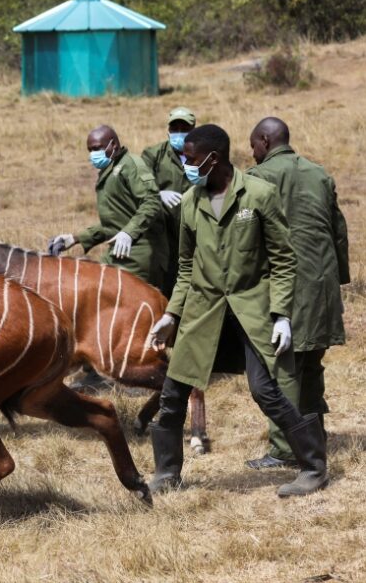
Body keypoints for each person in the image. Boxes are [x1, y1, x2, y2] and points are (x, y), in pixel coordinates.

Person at [148, 124, 328, 498]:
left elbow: (283, 260)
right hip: (203, 309)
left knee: (266, 391)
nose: (186, 164)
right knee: (173, 391)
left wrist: (281, 314)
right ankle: (167, 472)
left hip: (251, 309)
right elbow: (185, 267)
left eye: (192, 159)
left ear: (214, 159)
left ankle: (313, 467)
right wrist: (171, 316)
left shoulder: (259, 194)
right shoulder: (190, 201)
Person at [244, 117, 349, 469]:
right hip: (323, 282)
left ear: (265, 140)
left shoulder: (258, 178)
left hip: (286, 286)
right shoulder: (319, 173)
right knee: (312, 364)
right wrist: (339, 278)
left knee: (283, 367)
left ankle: (286, 449)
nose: (251, 152)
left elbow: (249, 239)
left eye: (253, 145)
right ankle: (313, 432)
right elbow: (338, 229)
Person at [49, 125, 169, 290]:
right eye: (90, 150)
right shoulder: (110, 171)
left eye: (97, 148)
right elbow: (115, 222)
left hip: (140, 253)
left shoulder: (131, 165)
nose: (93, 154)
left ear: (113, 145)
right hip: (119, 251)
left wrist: (129, 232)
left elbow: (152, 201)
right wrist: (76, 238)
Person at [142, 107, 196, 297]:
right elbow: (141, 185)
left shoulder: (202, 154)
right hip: (163, 230)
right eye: (175, 128)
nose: (179, 133)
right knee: (164, 280)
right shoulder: (154, 154)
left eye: (185, 128)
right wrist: (159, 193)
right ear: (168, 131)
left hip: (194, 228)